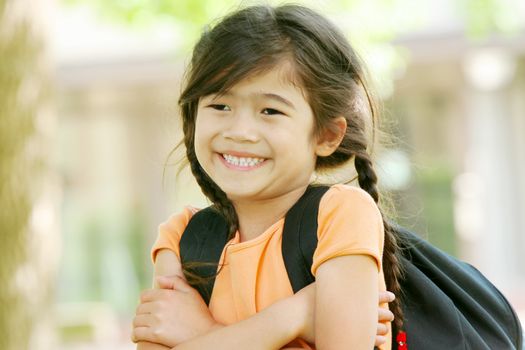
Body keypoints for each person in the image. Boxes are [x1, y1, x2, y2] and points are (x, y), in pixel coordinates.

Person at [132, 4, 404, 349]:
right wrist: (295, 315)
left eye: (270, 111)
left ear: (326, 135)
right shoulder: (182, 238)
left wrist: (202, 334)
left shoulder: (340, 216)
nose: (241, 131)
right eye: (220, 106)